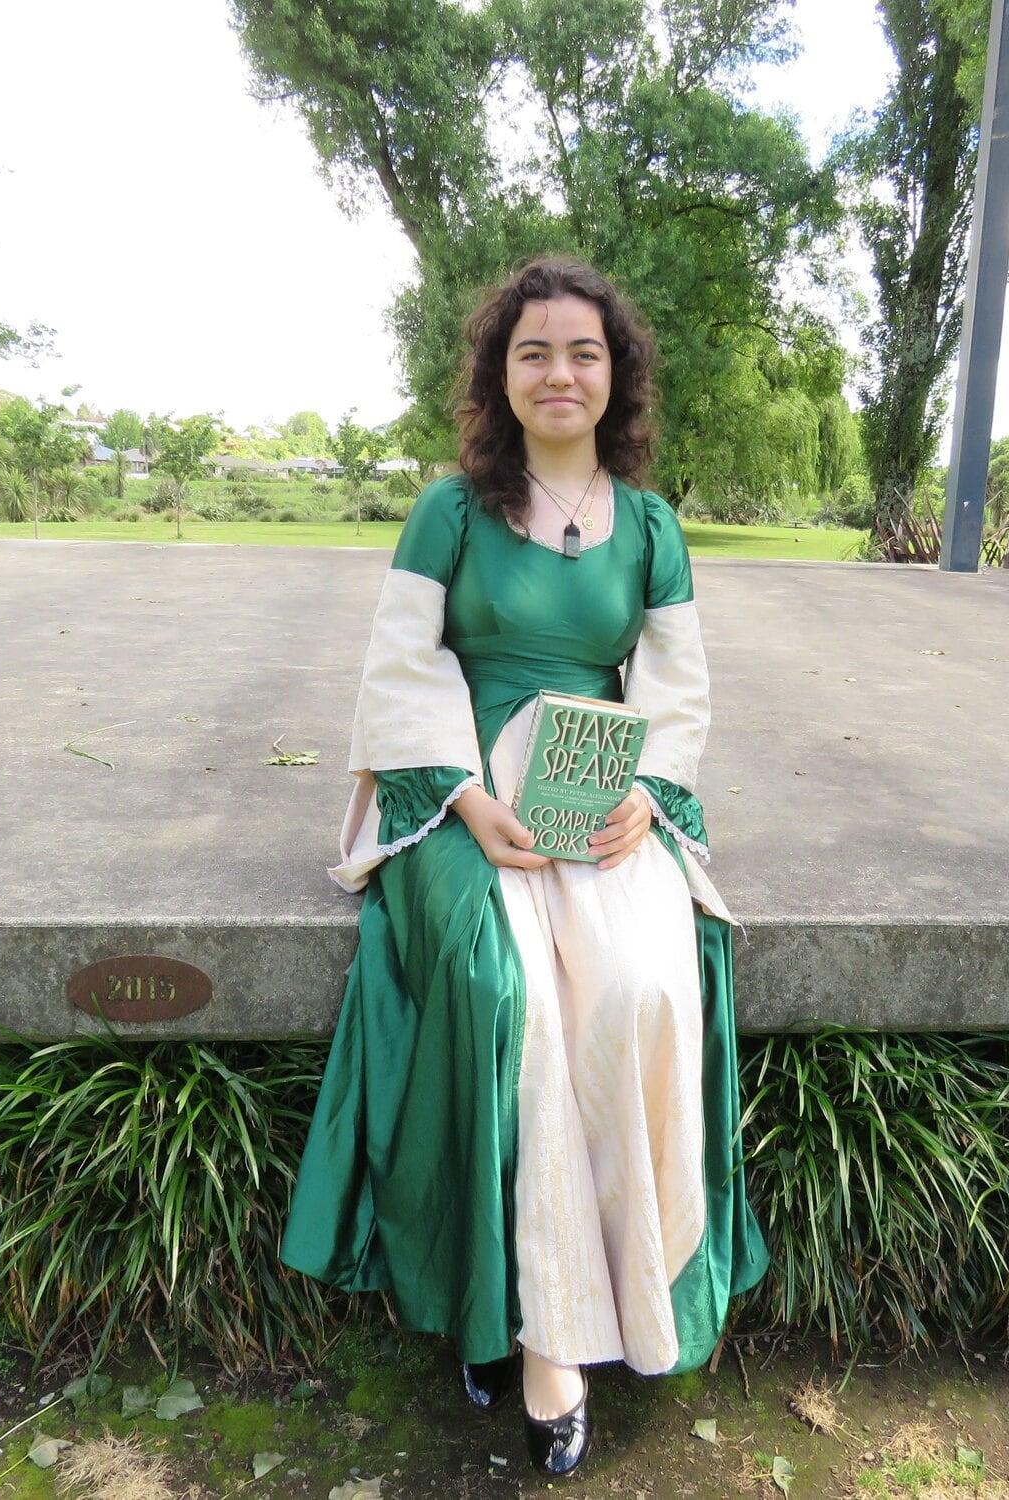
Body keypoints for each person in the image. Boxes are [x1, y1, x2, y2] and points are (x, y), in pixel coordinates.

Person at [280, 256, 767, 1478]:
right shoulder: (449, 511)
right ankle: (530, 1330)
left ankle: (628, 1295)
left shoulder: (650, 528)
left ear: (617, 377)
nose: (560, 372)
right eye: (534, 351)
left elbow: (675, 689)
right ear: (501, 375)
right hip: (465, 795)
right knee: (517, 1006)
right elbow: (399, 668)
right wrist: (457, 792)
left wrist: (645, 800)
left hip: (600, 793)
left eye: (584, 353)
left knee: (643, 987)